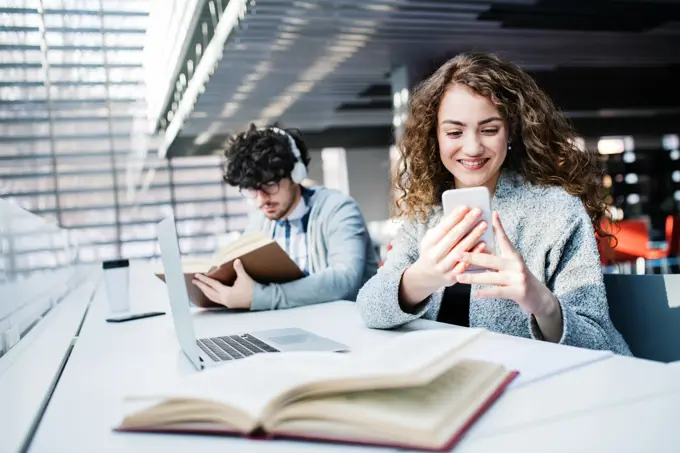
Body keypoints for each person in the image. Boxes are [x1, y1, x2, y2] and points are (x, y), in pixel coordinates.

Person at [356, 52, 631, 355]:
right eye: (454, 132)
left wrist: (543, 303)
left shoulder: (557, 211)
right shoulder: (427, 213)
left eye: (489, 129)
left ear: (510, 132)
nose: (472, 147)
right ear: (435, 136)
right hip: (448, 380)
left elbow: (599, 341)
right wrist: (421, 278)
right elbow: (370, 308)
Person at [193, 124, 379, 311]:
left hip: (347, 328)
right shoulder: (260, 222)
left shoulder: (338, 209)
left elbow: (344, 279)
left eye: (270, 184)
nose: (261, 199)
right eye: (252, 189)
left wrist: (262, 297)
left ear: (296, 173)